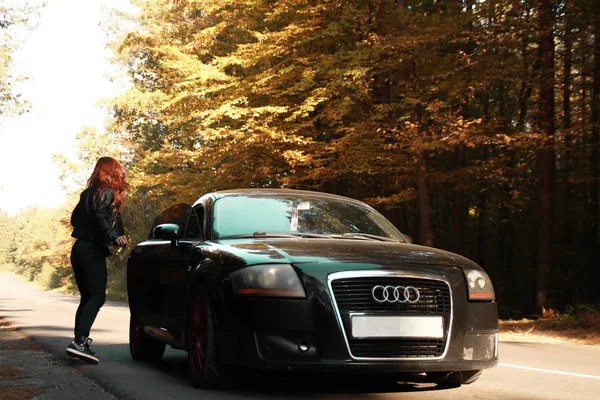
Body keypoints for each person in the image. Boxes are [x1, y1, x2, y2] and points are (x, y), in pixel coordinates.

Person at [65, 157, 129, 364]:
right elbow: (101, 217)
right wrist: (112, 236)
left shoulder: (87, 194)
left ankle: (79, 342)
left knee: (87, 297)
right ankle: (79, 342)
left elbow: (75, 220)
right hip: (92, 249)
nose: (121, 171)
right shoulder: (106, 193)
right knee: (97, 297)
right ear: (111, 171)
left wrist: (112, 233)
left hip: (79, 249)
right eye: (118, 169)